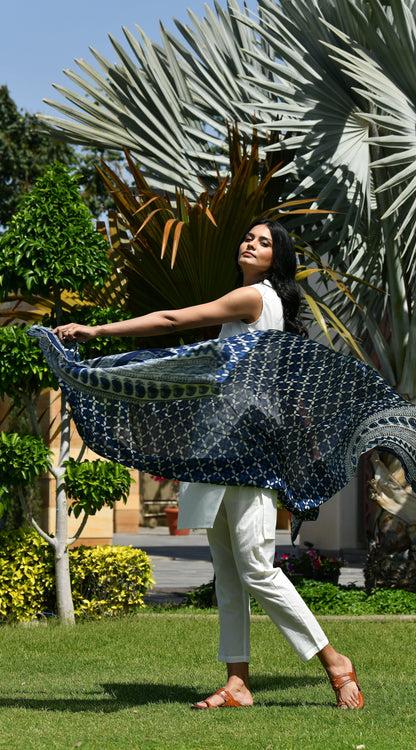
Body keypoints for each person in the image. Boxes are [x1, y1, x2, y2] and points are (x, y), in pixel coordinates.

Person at [53, 219, 364, 710]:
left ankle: (335, 661)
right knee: (229, 570)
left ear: (276, 261)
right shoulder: (251, 305)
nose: (250, 244)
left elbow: (175, 321)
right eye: (249, 237)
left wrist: (97, 329)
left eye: (264, 243)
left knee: (257, 567)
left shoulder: (256, 298)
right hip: (221, 446)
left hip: (246, 450)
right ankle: (237, 683)